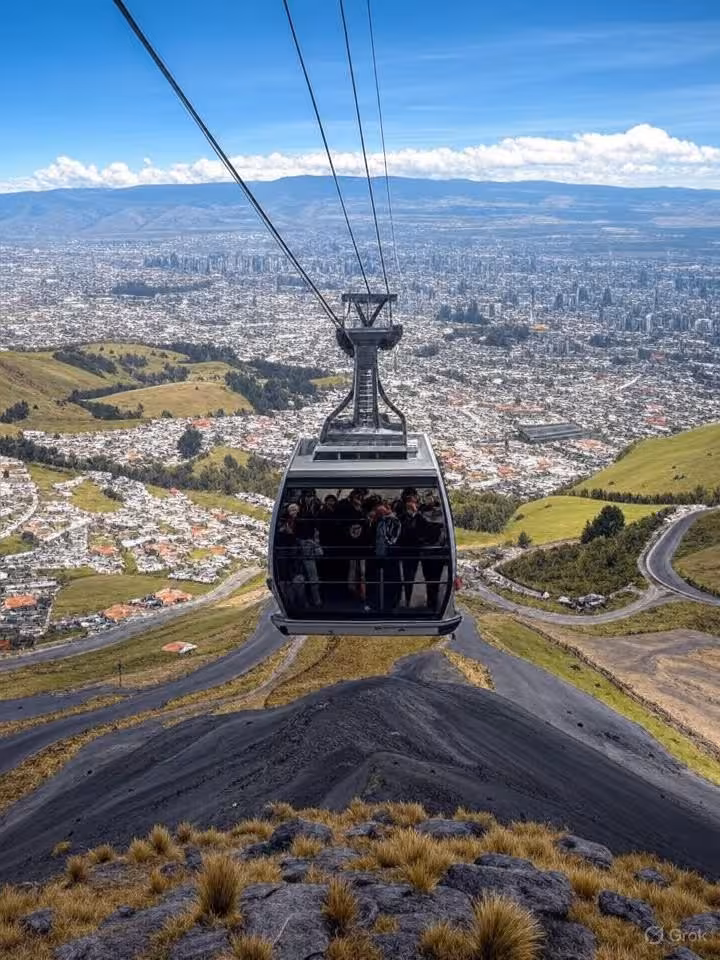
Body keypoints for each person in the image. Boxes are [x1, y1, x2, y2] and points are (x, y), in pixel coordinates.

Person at [419, 491, 447, 611]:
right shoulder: (441, 519)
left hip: (430, 553)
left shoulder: (424, 517)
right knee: (433, 579)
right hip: (435, 553)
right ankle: (432, 601)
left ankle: (432, 601)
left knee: (431, 579)